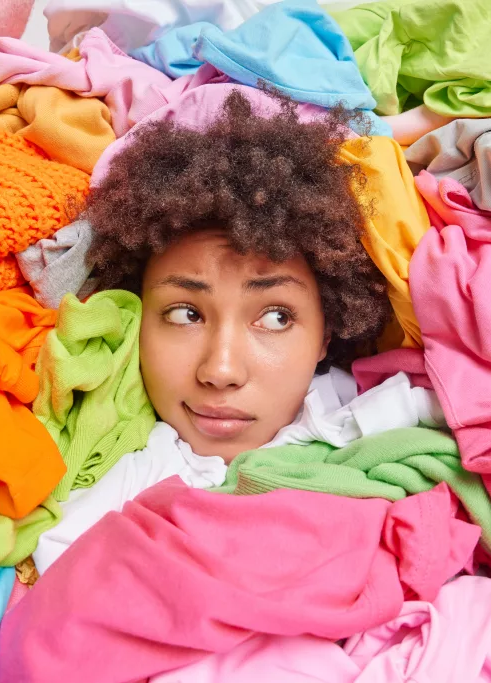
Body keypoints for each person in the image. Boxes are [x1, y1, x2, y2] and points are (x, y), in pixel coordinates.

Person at [84, 90, 391, 461]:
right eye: (185, 314)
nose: (220, 371)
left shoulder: (392, 434)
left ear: (325, 334)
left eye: (277, 317)